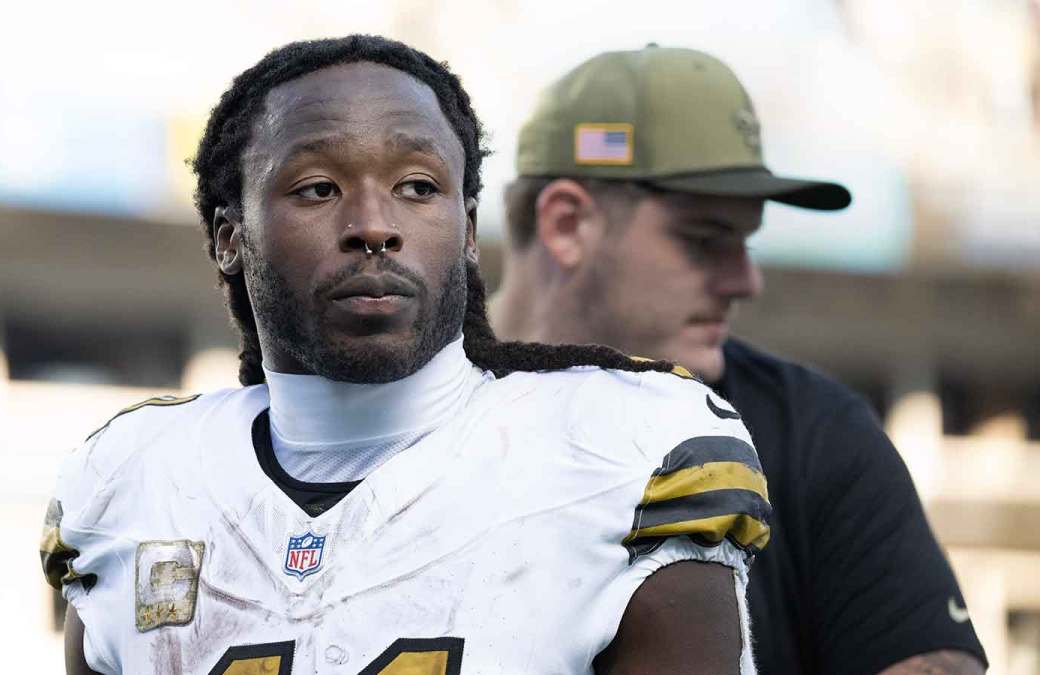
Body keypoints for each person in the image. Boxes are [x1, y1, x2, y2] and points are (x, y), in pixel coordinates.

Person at [39, 36, 773, 675]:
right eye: (318, 188)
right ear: (230, 238)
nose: (372, 225)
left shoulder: (622, 448)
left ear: (467, 230)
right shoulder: (132, 481)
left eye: (418, 187)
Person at [491, 46, 988, 675]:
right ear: (567, 225)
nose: (745, 279)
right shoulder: (399, 415)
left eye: (745, 241)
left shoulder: (816, 436)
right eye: (706, 240)